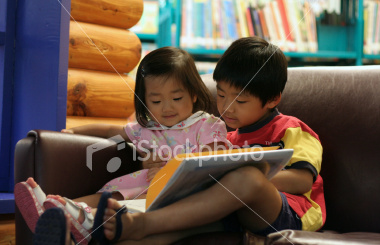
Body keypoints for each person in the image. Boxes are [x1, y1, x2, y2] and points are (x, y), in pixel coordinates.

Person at [98, 36, 325, 244]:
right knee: (176, 227)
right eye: (222, 95)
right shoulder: (224, 138)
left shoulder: (291, 129)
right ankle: (123, 231)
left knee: (248, 177)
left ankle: (145, 223)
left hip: (288, 213)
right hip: (232, 212)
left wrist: (229, 177)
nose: (227, 107)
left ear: (273, 99)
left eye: (241, 101)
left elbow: (302, 181)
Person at [14, 47, 231, 244]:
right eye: (156, 101)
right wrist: (73, 132)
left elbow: (210, 160)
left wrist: (170, 170)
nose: (167, 108)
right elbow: (110, 131)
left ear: (193, 94)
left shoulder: (207, 125)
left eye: (176, 98)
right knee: (109, 195)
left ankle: (72, 218)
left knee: (113, 205)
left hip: (173, 194)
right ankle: (55, 210)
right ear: (145, 102)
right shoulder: (148, 127)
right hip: (137, 186)